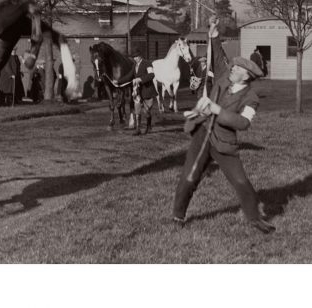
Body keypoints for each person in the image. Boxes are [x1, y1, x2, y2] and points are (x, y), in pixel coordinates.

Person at [172, 16, 275, 234]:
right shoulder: (223, 77)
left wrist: (218, 111)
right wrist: (214, 32)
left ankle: (255, 219)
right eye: (233, 67)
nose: (232, 69)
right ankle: (178, 216)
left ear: (246, 76)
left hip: (224, 144)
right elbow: (217, 55)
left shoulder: (251, 98)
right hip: (203, 136)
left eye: (237, 69)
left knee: (241, 181)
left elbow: (243, 122)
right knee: (189, 178)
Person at [113, 47, 156, 136]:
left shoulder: (147, 63)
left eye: (136, 56)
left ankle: (148, 126)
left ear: (140, 56)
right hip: (138, 92)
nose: (135, 58)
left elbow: (151, 75)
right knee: (137, 110)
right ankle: (138, 129)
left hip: (147, 91)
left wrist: (140, 79)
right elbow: (129, 76)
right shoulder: (134, 66)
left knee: (146, 111)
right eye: (134, 57)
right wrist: (118, 81)